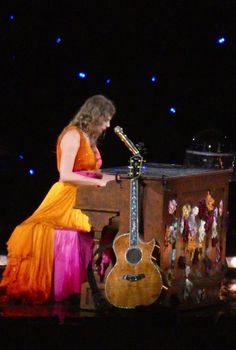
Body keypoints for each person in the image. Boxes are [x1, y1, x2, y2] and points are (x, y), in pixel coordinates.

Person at [0, 94, 116, 304]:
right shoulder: (72, 135)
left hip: (86, 193)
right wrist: (99, 184)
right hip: (68, 195)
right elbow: (66, 175)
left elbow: (93, 173)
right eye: (106, 119)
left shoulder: (90, 139)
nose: (108, 125)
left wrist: (116, 179)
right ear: (95, 116)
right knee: (82, 227)